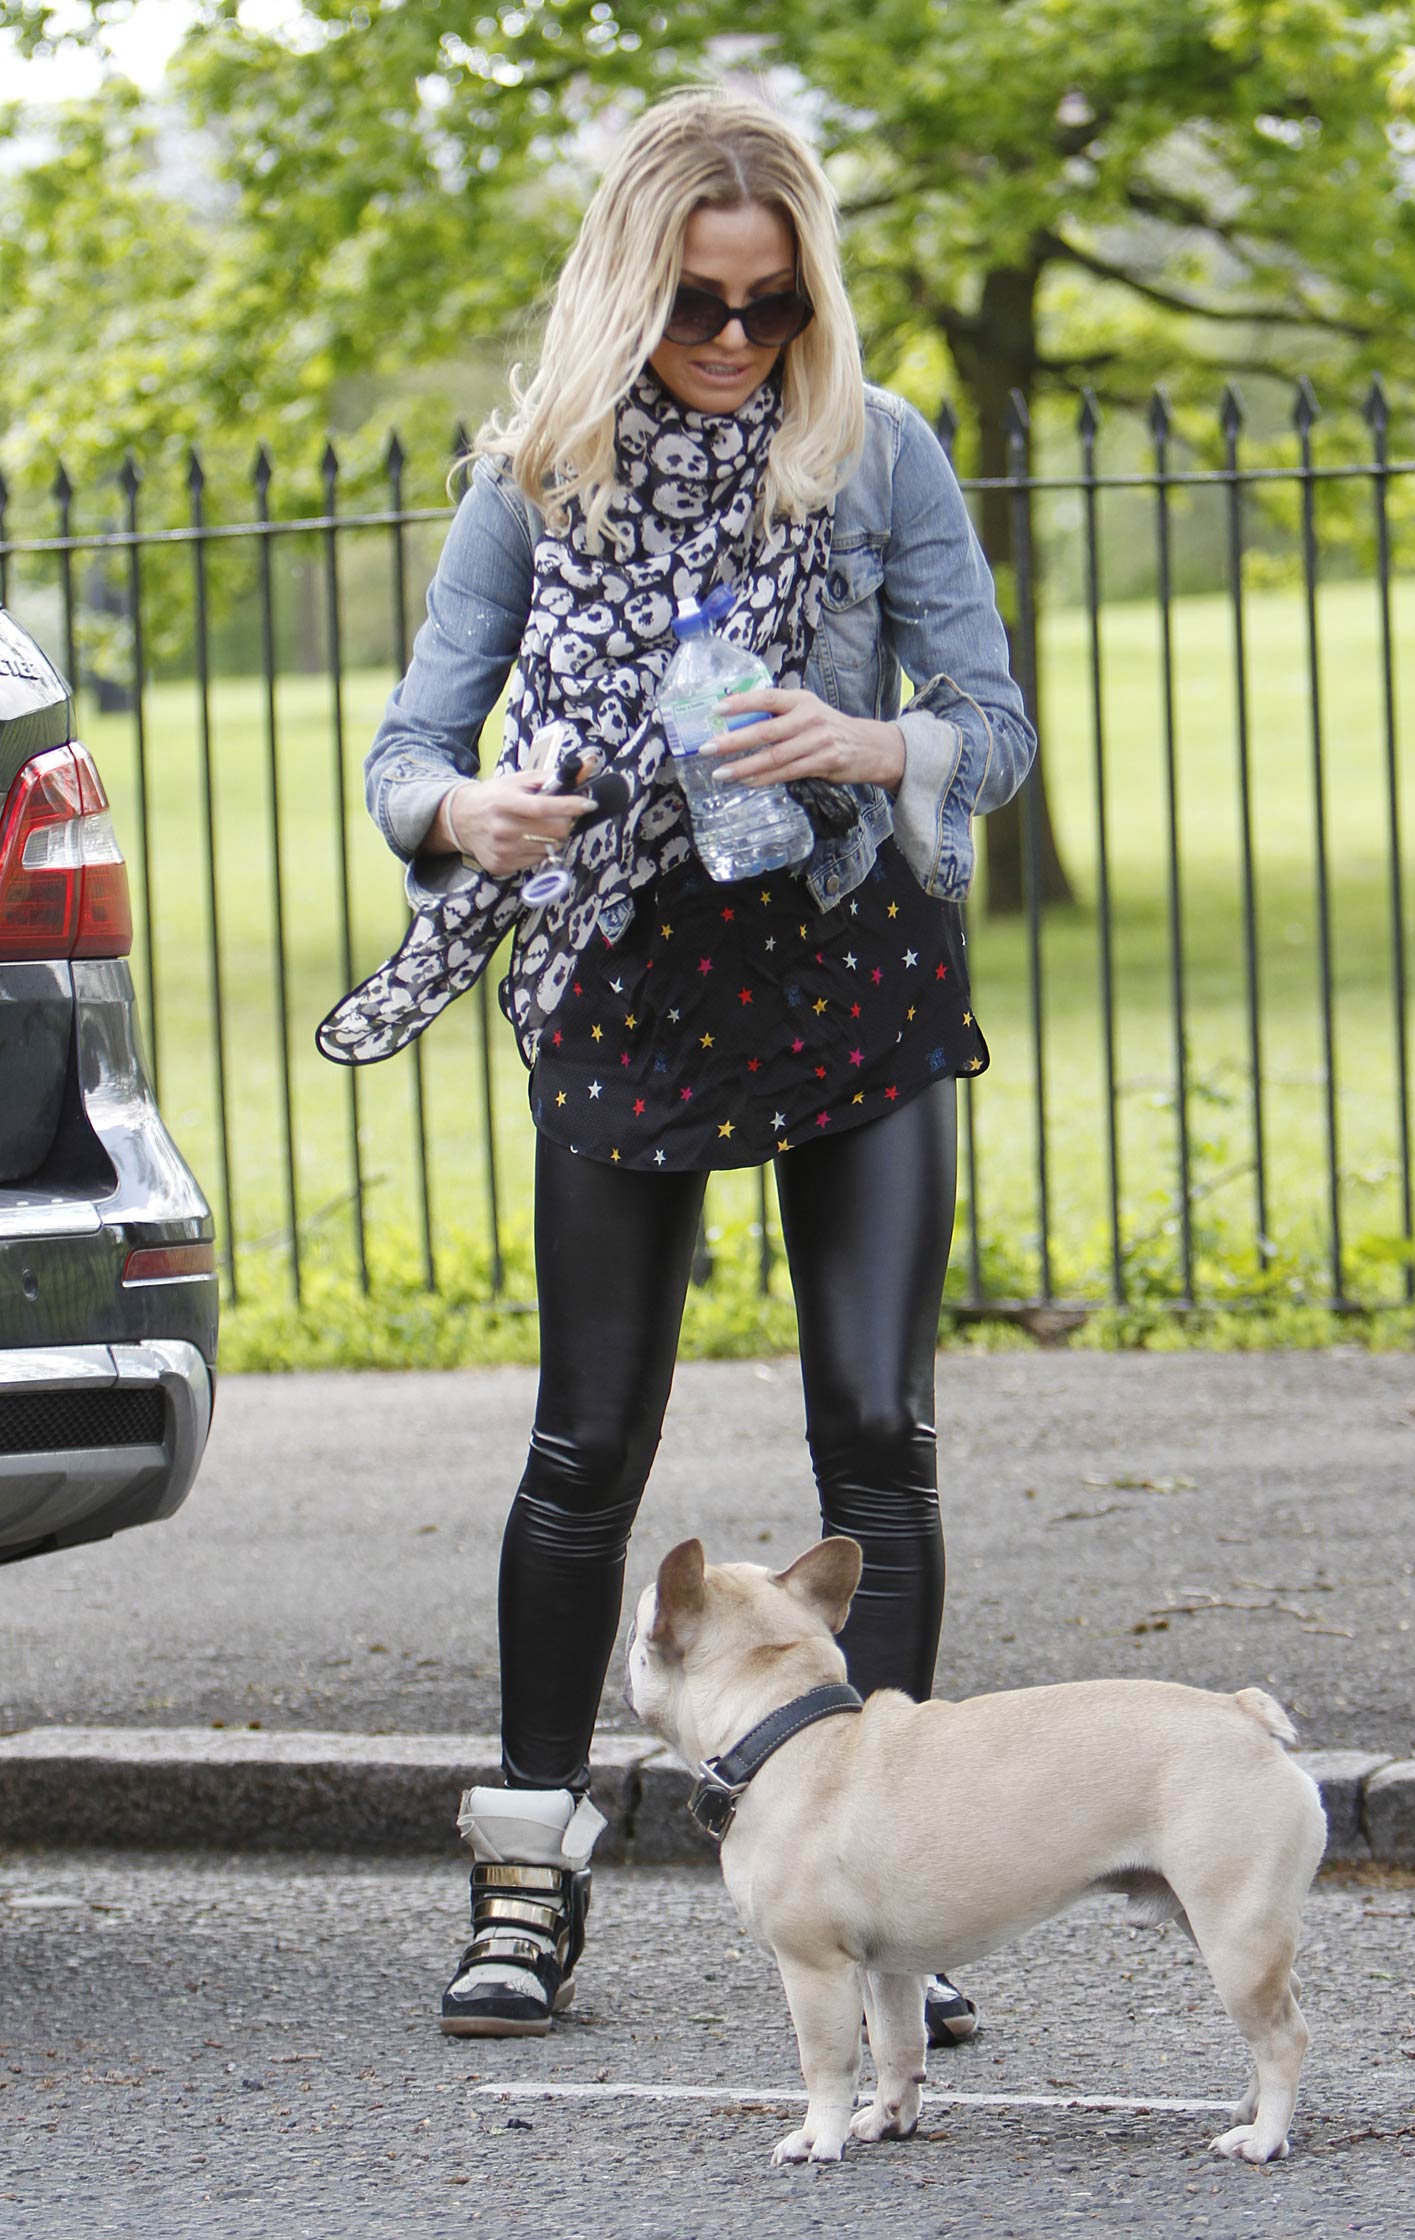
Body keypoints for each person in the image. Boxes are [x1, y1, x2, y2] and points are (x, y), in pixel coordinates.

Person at [318, 86, 1035, 2046]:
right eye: (697, 309)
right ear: (629, 293)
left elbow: (988, 718)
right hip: (621, 975)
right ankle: (531, 1870)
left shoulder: (872, 454)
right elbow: (405, 750)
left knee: (875, 1433)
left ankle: (885, 1887)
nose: (732, 346)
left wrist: (866, 745)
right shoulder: (536, 474)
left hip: (843, 961)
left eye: (768, 309)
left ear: (810, 302)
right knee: (585, 1444)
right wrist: (469, 817)